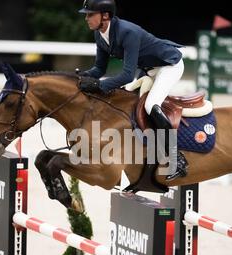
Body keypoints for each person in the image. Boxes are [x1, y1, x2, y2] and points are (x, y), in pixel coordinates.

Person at [78, 0, 188, 181]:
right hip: (149, 70)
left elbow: (127, 75)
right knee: (127, 100)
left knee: (151, 105)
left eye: (90, 14)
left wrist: (99, 86)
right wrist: (81, 77)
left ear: (105, 16)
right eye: (86, 15)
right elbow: (99, 69)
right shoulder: (100, 35)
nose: (86, 18)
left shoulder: (127, 32)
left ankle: (177, 160)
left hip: (169, 65)